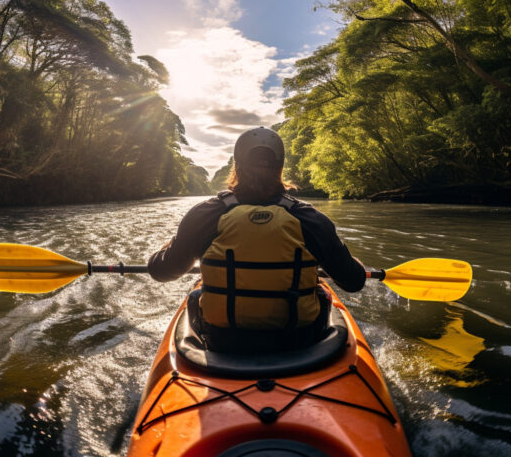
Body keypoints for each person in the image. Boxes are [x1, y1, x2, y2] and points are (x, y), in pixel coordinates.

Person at [147, 127, 366, 353]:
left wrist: (172, 245)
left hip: (222, 341)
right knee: (323, 294)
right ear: (280, 168)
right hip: (299, 340)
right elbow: (353, 280)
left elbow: (161, 270)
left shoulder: (204, 215)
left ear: (237, 166)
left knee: (195, 296)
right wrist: (348, 260)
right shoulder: (310, 219)